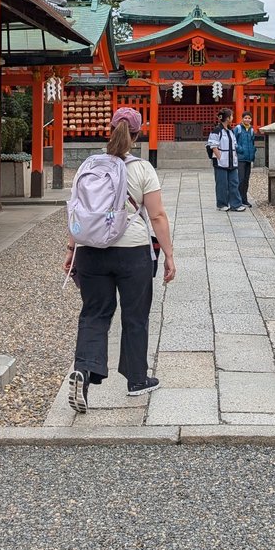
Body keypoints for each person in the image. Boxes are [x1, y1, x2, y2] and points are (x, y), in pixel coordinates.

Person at [65, 106, 175, 412]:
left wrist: (71, 249)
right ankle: (137, 379)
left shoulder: (89, 164)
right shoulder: (142, 169)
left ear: (109, 130)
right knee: (135, 315)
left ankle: (83, 372)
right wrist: (169, 254)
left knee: (94, 313)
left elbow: (77, 209)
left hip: (90, 251)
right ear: (138, 134)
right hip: (133, 251)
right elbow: (157, 215)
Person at [206, 108, 244, 212]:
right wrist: (220, 158)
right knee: (222, 183)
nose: (232, 118)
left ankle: (236, 204)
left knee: (234, 182)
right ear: (227, 118)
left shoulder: (231, 131)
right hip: (221, 161)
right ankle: (222, 204)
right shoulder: (216, 131)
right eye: (231, 116)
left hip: (232, 160)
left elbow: (234, 145)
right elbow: (213, 146)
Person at [234, 110, 257, 208]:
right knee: (241, 179)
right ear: (242, 119)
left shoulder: (251, 130)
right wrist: (240, 149)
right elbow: (234, 141)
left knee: (246, 180)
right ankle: (238, 200)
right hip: (241, 157)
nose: (247, 120)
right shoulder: (238, 128)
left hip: (248, 157)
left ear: (251, 119)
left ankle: (245, 199)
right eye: (245, 118)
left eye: (249, 118)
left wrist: (253, 150)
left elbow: (252, 142)